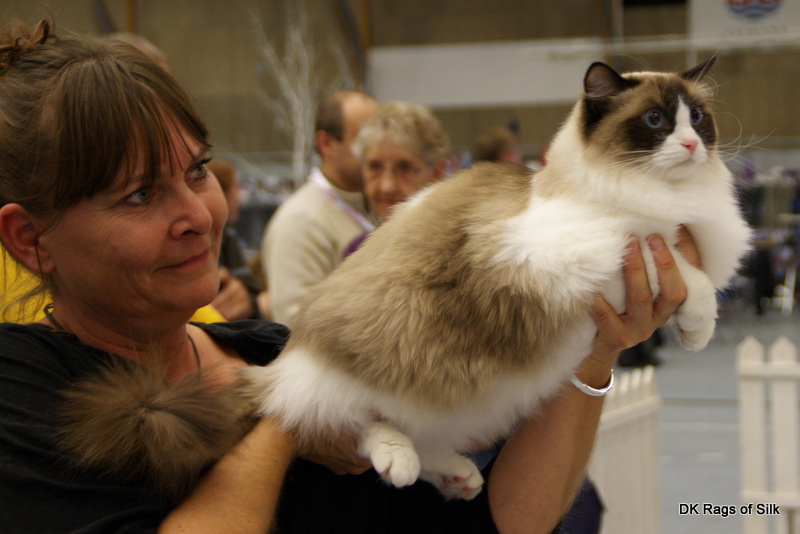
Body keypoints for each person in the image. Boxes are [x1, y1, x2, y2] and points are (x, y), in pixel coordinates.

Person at [0, 19, 700, 534]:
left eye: (195, 173)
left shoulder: (271, 351)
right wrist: (289, 422)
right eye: (139, 195)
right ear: (30, 240)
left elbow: (503, 521)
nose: (195, 214)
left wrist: (598, 345)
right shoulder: (20, 392)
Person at [261, 90, 379, 326]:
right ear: (326, 144)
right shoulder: (301, 221)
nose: (376, 149)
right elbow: (297, 327)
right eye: (365, 140)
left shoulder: (371, 203)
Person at [343, 100, 449, 256]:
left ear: (436, 173)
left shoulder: (455, 254)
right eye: (374, 167)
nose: (387, 186)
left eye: (404, 168)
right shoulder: (356, 252)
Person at [207, 158, 270, 320]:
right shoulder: (221, 235)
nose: (239, 196)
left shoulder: (228, 234)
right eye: (237, 187)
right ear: (223, 192)